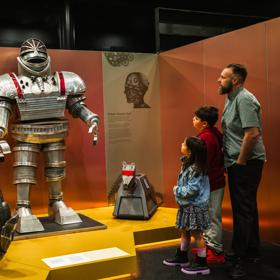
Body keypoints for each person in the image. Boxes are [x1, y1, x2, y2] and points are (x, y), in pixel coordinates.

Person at [0, 38, 100, 233]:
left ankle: (57, 202)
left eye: (40, 59)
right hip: (25, 135)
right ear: (22, 60)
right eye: (32, 59)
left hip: (56, 132)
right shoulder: (9, 83)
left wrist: (91, 118)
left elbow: (76, 105)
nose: (37, 63)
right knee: (24, 172)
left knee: (56, 170)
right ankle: (23, 207)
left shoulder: (65, 80)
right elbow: (3, 109)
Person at [218, 63, 266, 279]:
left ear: (235, 80)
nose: (219, 80)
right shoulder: (231, 98)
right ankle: (252, 252)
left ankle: (240, 257)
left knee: (242, 210)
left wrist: (240, 161)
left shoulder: (245, 99)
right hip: (238, 162)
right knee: (246, 207)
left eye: (222, 77)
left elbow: (252, 134)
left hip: (246, 163)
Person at [163, 136, 211, 276]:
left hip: (195, 207)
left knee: (197, 234)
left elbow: (192, 190)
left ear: (190, 151)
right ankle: (182, 256)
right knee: (185, 231)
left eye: (184, 143)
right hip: (187, 206)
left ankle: (202, 263)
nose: (181, 144)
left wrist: (176, 190)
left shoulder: (196, 169)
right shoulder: (187, 164)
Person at [193, 106, 226, 264]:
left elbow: (203, 162)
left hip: (212, 182)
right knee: (211, 215)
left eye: (196, 118)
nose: (193, 120)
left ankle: (216, 250)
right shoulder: (214, 133)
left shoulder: (206, 138)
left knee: (213, 216)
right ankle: (209, 246)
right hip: (214, 180)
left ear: (204, 123)